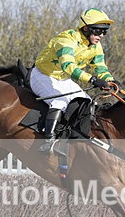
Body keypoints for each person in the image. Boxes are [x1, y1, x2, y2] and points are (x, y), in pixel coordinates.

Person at [29, 8, 119, 152]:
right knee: (60, 102)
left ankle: (73, 137)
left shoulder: (96, 46)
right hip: (42, 76)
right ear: (86, 28)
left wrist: (109, 80)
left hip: (63, 80)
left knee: (89, 103)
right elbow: (68, 66)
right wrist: (92, 80)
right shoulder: (66, 39)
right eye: (98, 31)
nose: (101, 35)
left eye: (104, 31)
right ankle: (48, 141)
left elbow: (100, 67)